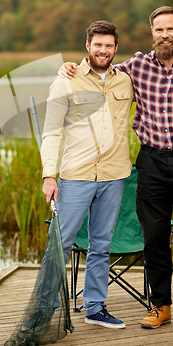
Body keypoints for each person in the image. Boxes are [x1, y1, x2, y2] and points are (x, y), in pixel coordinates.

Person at [60, 6, 173, 336]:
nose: (164, 35)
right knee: (154, 236)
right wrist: (69, 68)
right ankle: (161, 306)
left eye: (170, 28)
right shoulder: (135, 66)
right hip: (151, 161)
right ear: (151, 32)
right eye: (158, 30)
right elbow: (101, 71)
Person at [40, 19, 134, 329]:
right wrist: (48, 176)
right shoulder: (65, 81)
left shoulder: (127, 81)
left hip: (114, 176)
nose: (103, 50)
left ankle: (95, 307)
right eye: (98, 45)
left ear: (116, 48)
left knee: (101, 245)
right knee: (61, 243)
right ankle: (45, 309)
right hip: (75, 175)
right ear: (88, 46)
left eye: (109, 46)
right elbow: (51, 132)